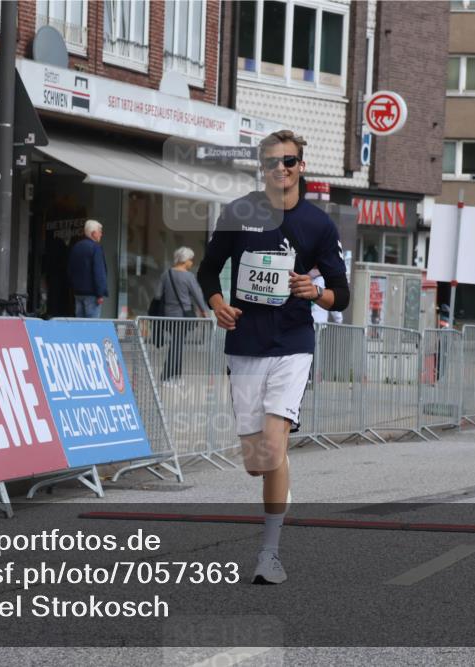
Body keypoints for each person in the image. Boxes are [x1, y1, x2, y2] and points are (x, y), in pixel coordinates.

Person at [197, 129, 349, 585]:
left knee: (273, 446)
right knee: (256, 461)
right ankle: (275, 476)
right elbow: (208, 270)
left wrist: (316, 292)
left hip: (292, 343)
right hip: (245, 343)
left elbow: (342, 294)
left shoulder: (319, 225)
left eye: (287, 161)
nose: (279, 169)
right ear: (260, 168)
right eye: (270, 163)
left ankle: (269, 553)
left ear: (302, 166)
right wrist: (217, 302)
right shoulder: (238, 212)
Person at [156, 247, 207, 384]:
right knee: (177, 346)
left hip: (167, 315)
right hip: (182, 317)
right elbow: (197, 295)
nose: (191, 263)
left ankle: (176, 376)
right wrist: (204, 311)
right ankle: (166, 377)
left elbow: (158, 294)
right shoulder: (188, 277)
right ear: (185, 260)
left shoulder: (166, 274)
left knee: (177, 344)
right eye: (191, 260)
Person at [68, 219, 108, 318]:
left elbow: (70, 270)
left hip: (78, 293)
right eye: (100, 232)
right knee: (92, 327)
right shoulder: (95, 248)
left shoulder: (76, 247)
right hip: (92, 295)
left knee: (79, 326)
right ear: (93, 233)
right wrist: (100, 294)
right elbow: (99, 272)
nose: (101, 234)